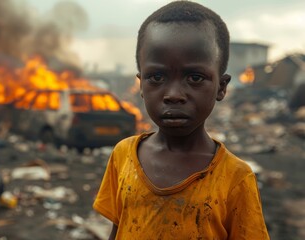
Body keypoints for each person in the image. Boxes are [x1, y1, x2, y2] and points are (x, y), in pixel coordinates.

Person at [93, 1, 270, 239]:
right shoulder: (123, 155)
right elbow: (119, 228)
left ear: (221, 87)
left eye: (195, 77)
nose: (173, 94)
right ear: (141, 85)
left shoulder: (236, 177)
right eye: (156, 77)